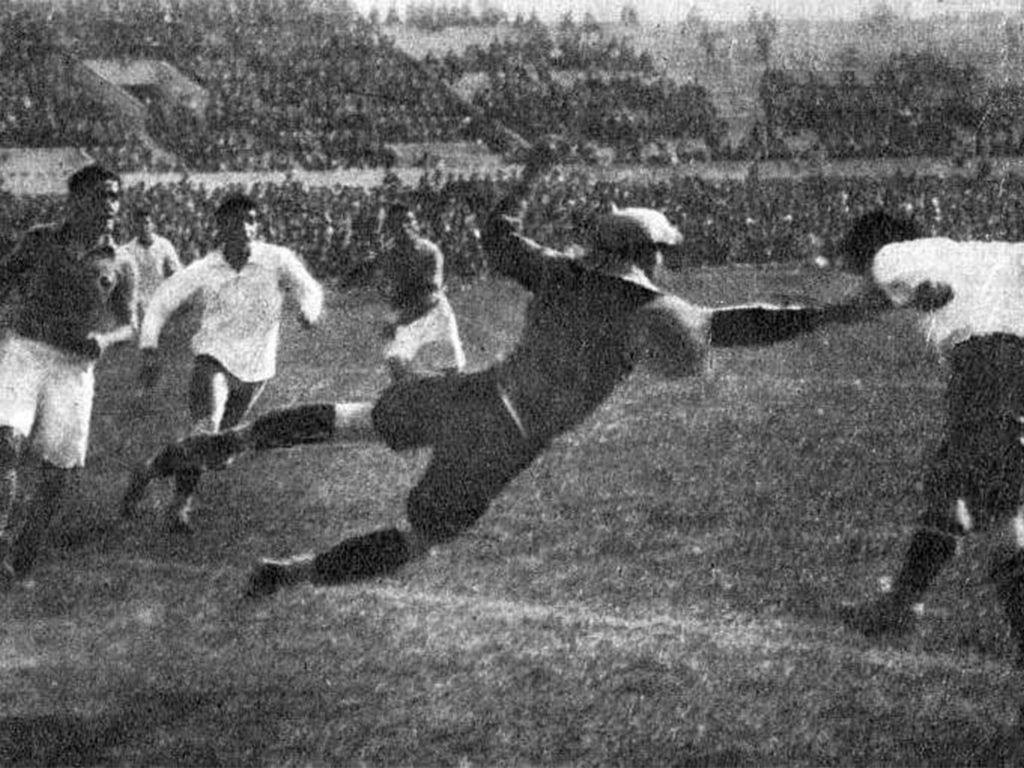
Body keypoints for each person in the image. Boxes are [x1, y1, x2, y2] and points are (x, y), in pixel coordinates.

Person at [121, 145, 826, 597]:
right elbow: (740, 324)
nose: (667, 261)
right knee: (420, 539)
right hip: (506, 440)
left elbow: (497, 235)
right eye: (662, 251)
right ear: (645, 254)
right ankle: (290, 573)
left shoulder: (559, 273)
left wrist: (528, 177)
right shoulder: (649, 307)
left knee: (354, 420)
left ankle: (231, 443)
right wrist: (833, 316)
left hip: (474, 393)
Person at [819, 211, 1024, 671]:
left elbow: (911, 285)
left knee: (998, 516)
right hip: (1001, 366)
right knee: (949, 490)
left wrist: (820, 315)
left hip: (993, 368)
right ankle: (901, 604)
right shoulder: (981, 250)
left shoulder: (898, 254)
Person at [122, 193, 324, 533]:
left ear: (256, 225)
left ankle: (151, 469)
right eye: (235, 220)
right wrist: (149, 347)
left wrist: (309, 311)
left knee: (217, 453)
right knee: (207, 430)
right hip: (213, 357)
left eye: (250, 220)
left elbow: (310, 289)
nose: (244, 227)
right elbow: (160, 303)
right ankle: (179, 507)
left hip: (257, 368)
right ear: (221, 226)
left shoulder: (277, 259)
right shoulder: (205, 268)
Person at [0, 164, 137, 586]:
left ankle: (21, 558)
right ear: (75, 201)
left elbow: (129, 323)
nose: (110, 205)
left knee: (59, 471)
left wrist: (106, 340)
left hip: (74, 369)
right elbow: (5, 278)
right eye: (101, 195)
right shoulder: (40, 240)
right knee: (5, 442)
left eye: (114, 196)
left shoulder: (121, 262)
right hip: (25, 352)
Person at [377, 202, 466, 380]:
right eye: (397, 223)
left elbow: (431, 296)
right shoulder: (389, 256)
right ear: (390, 229)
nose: (404, 227)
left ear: (417, 224)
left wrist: (397, 321)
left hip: (435, 315)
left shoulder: (430, 252)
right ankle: (412, 403)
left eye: (409, 221)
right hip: (408, 317)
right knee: (396, 363)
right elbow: (393, 292)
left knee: (452, 374)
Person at [121, 206, 183, 318]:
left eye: (146, 223)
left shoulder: (164, 245)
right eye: (138, 223)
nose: (143, 227)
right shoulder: (128, 250)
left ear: (152, 225)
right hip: (138, 306)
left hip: (160, 304)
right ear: (134, 226)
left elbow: (177, 274)